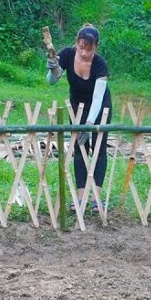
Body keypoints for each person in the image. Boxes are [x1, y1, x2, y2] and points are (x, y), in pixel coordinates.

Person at [47, 23, 112, 209]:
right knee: (80, 148)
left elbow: (98, 98)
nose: (84, 53)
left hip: (100, 108)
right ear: (77, 43)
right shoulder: (67, 54)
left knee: (98, 149)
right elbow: (52, 80)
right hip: (77, 107)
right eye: (81, 48)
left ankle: (96, 199)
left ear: (96, 47)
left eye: (89, 50)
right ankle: (81, 198)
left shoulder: (100, 65)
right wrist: (52, 69)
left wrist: (90, 124)